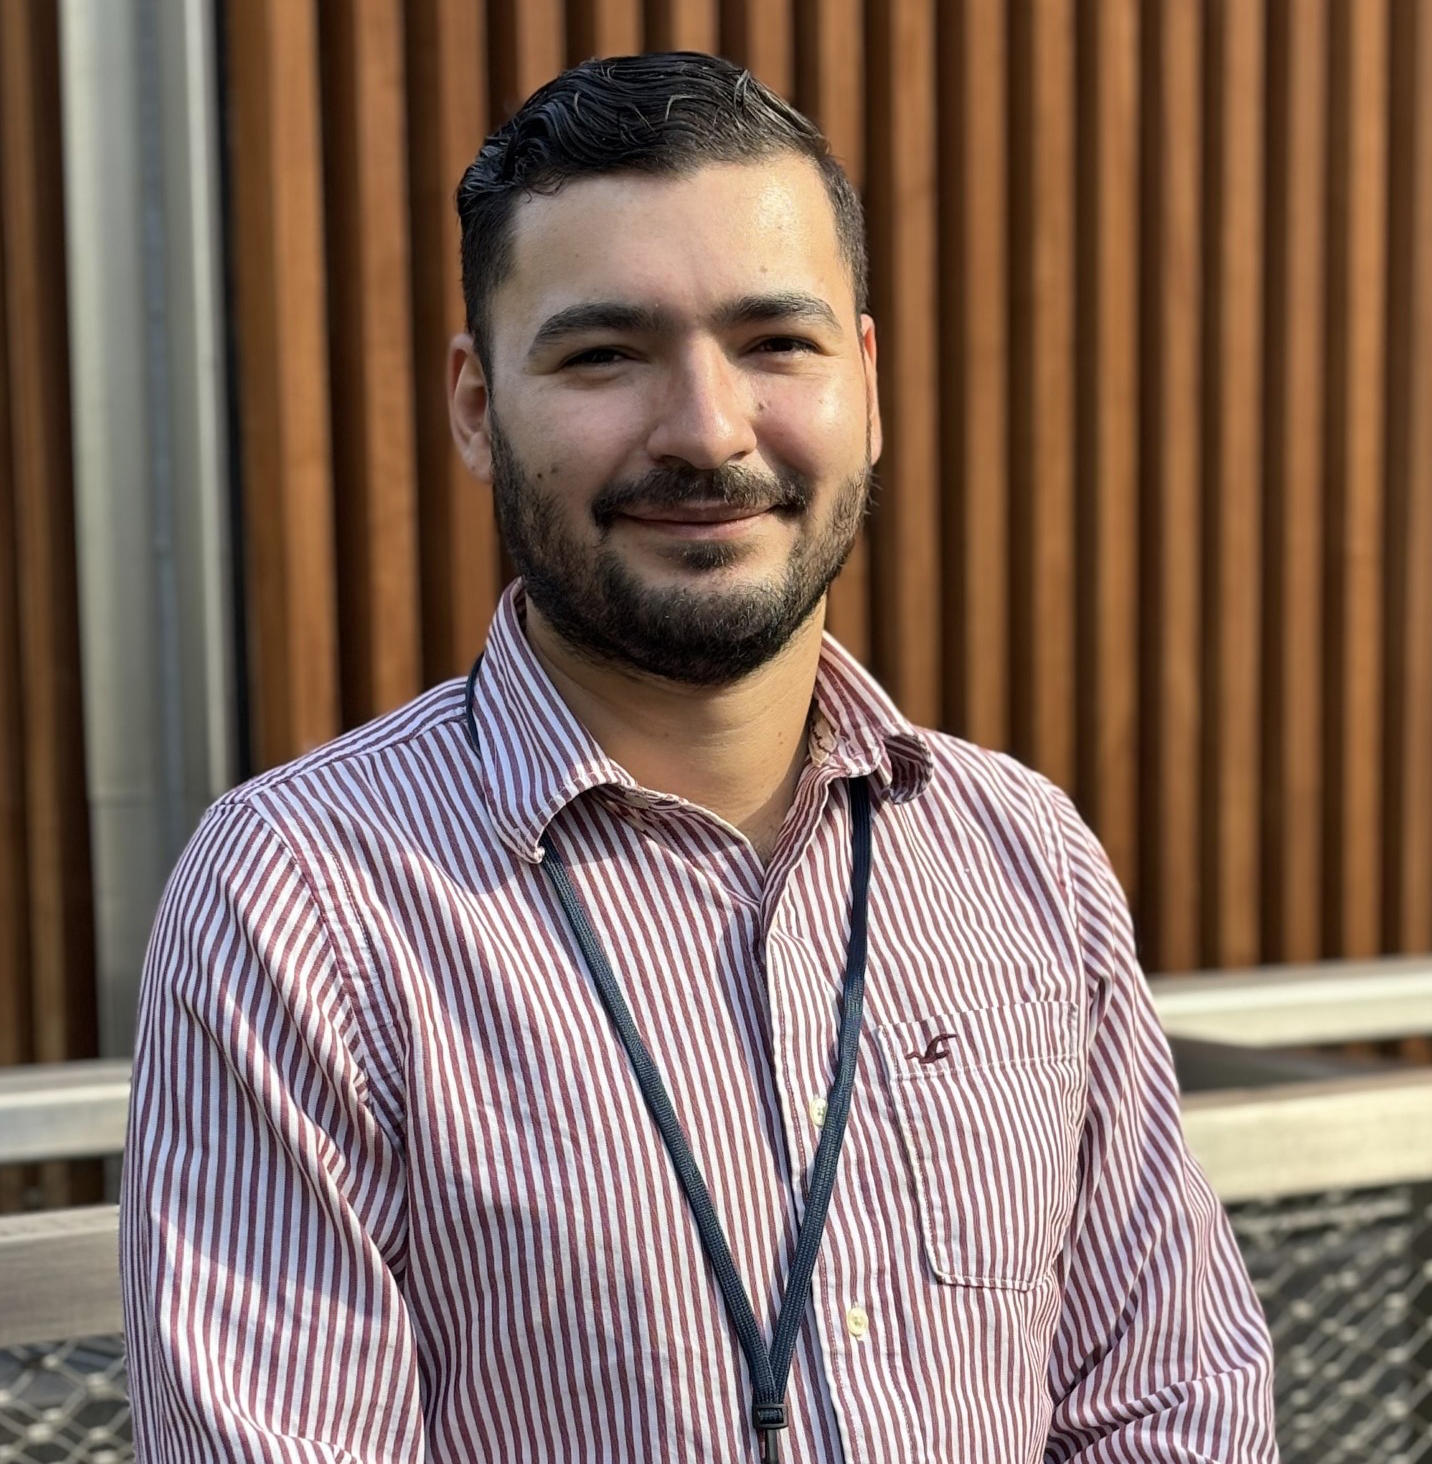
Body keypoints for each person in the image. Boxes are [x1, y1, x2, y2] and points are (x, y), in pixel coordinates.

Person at [121, 51, 1277, 1464]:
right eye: (605, 355)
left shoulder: (1021, 854)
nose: (708, 429)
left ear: (867, 385)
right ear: (478, 407)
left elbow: (1169, 1400)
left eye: (775, 343)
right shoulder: (300, 903)